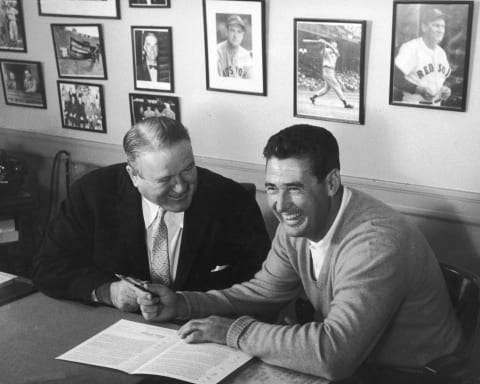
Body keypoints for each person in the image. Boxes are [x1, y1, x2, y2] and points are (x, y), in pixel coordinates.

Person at [137, 124, 463, 383]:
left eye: (294, 188)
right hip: (358, 367)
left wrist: (233, 331)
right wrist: (184, 303)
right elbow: (263, 292)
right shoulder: (298, 225)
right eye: (273, 188)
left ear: (332, 182)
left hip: (412, 376)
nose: (280, 205)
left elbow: (333, 355)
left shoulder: (375, 242)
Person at [33, 117, 270, 314]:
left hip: (203, 327)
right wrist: (108, 292)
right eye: (165, 179)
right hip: (117, 328)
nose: (180, 187)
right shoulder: (92, 193)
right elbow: (49, 267)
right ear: (134, 176)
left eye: (188, 169)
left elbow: (263, 281)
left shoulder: (231, 199)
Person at [393, 7, 451, 106]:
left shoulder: (441, 52)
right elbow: (394, 77)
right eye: (436, 26)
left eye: (443, 26)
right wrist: (418, 90)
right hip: (414, 105)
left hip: (438, 106)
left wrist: (446, 89)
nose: (440, 30)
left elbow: (444, 77)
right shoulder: (411, 48)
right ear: (424, 27)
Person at [307, 38, 354, 109]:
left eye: (334, 42)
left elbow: (336, 53)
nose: (333, 43)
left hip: (331, 71)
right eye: (332, 42)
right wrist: (324, 45)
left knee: (326, 88)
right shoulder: (326, 50)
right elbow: (322, 55)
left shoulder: (336, 51)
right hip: (327, 70)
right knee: (337, 86)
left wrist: (326, 43)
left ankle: (313, 97)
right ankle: (345, 104)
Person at [217, 15, 253, 79]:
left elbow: (251, 80)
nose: (235, 36)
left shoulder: (246, 55)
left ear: (243, 35)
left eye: (239, 32)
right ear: (226, 32)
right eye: (232, 30)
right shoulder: (217, 52)